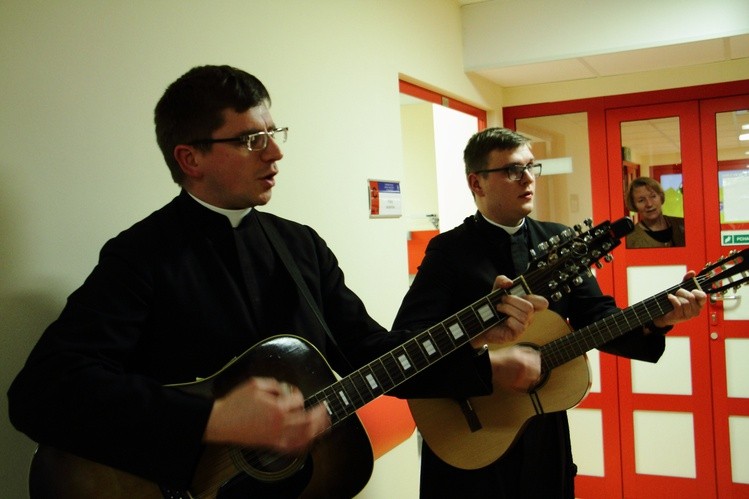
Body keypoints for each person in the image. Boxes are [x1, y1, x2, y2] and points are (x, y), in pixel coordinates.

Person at [7, 66, 547, 497]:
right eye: (251, 139)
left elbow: (373, 354)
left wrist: (472, 338)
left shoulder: (300, 246)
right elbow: (42, 393)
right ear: (190, 158)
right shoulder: (142, 255)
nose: (275, 152)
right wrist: (212, 418)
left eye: (272, 133)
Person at [392, 127, 706, 498]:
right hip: (468, 433)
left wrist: (657, 320)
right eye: (513, 170)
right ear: (477, 183)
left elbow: (597, 317)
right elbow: (409, 341)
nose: (528, 178)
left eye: (531, 167)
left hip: (541, 428)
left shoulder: (561, 242)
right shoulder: (448, 251)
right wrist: (488, 362)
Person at [625, 176, 686, 248]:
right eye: (641, 200)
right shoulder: (631, 239)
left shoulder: (683, 224)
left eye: (653, 196)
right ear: (634, 205)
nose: (649, 204)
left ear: (661, 197)